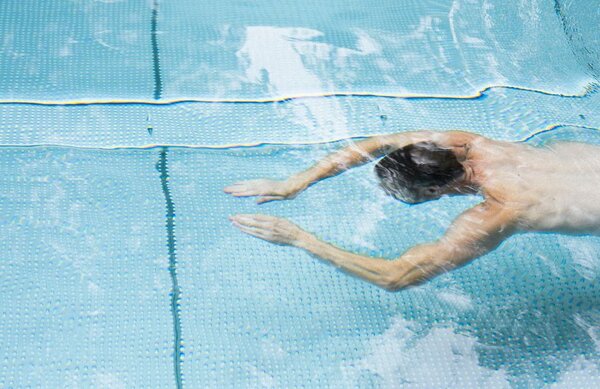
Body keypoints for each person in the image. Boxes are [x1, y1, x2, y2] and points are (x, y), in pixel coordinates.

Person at [224, 130, 600, 291]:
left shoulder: (499, 212)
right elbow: (382, 142)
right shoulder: (469, 144)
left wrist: (300, 238)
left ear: (436, 190)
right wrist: (297, 182)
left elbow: (397, 277)